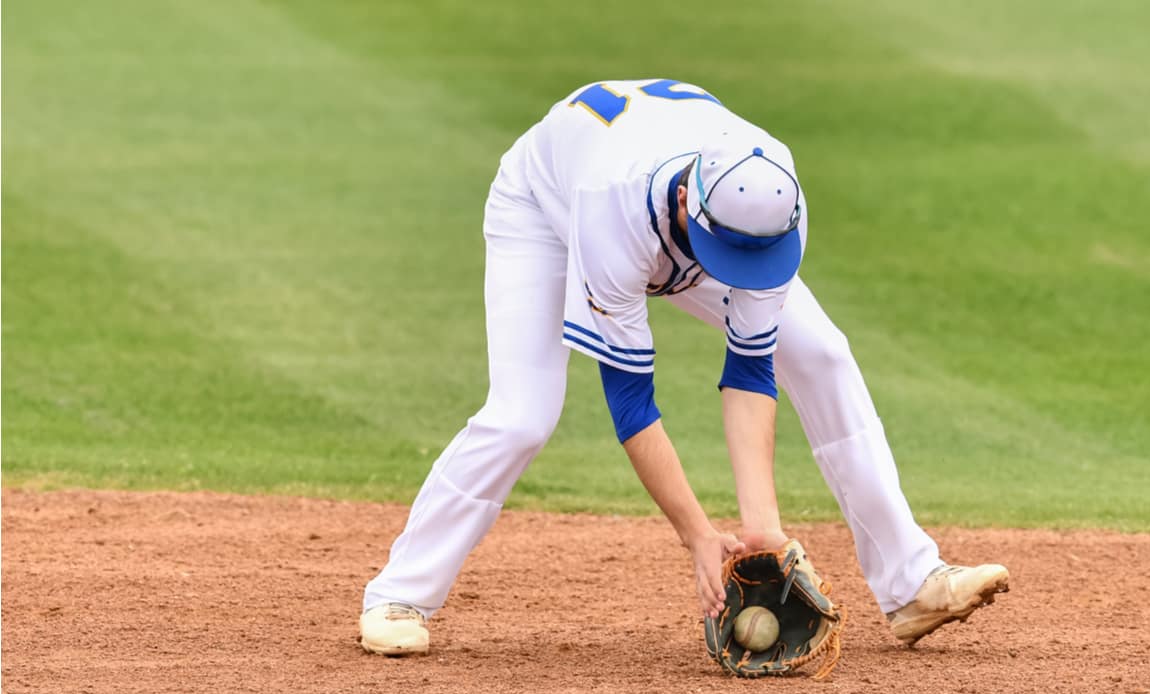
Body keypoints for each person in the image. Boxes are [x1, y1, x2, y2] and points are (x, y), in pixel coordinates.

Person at [358, 79, 1009, 656]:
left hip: (671, 211)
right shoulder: (612, 212)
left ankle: (912, 583)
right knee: (523, 415)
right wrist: (697, 536)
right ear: (689, 209)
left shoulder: (771, 203)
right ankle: (398, 596)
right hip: (548, 210)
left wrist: (762, 531)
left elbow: (751, 369)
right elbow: (632, 404)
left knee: (820, 354)